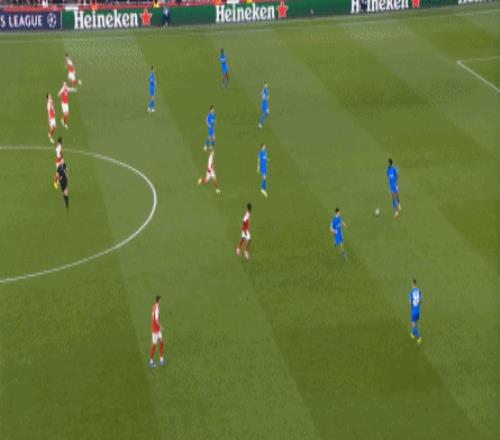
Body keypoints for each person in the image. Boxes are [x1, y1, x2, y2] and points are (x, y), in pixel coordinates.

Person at [150, 295, 166, 368]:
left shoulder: (154, 306)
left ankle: (161, 360)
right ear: (158, 300)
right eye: (160, 300)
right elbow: (156, 320)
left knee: (161, 342)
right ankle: (151, 361)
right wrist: (161, 326)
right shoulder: (156, 309)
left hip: (157, 329)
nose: (161, 301)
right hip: (155, 330)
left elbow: (152, 316)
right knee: (154, 345)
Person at [409, 279, 422, 344]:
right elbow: (420, 300)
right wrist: (417, 305)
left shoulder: (411, 292)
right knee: (415, 323)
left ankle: (418, 338)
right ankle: (413, 334)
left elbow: (410, 302)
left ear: (413, 284)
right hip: (418, 311)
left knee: (413, 325)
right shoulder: (419, 291)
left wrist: (412, 306)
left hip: (413, 311)